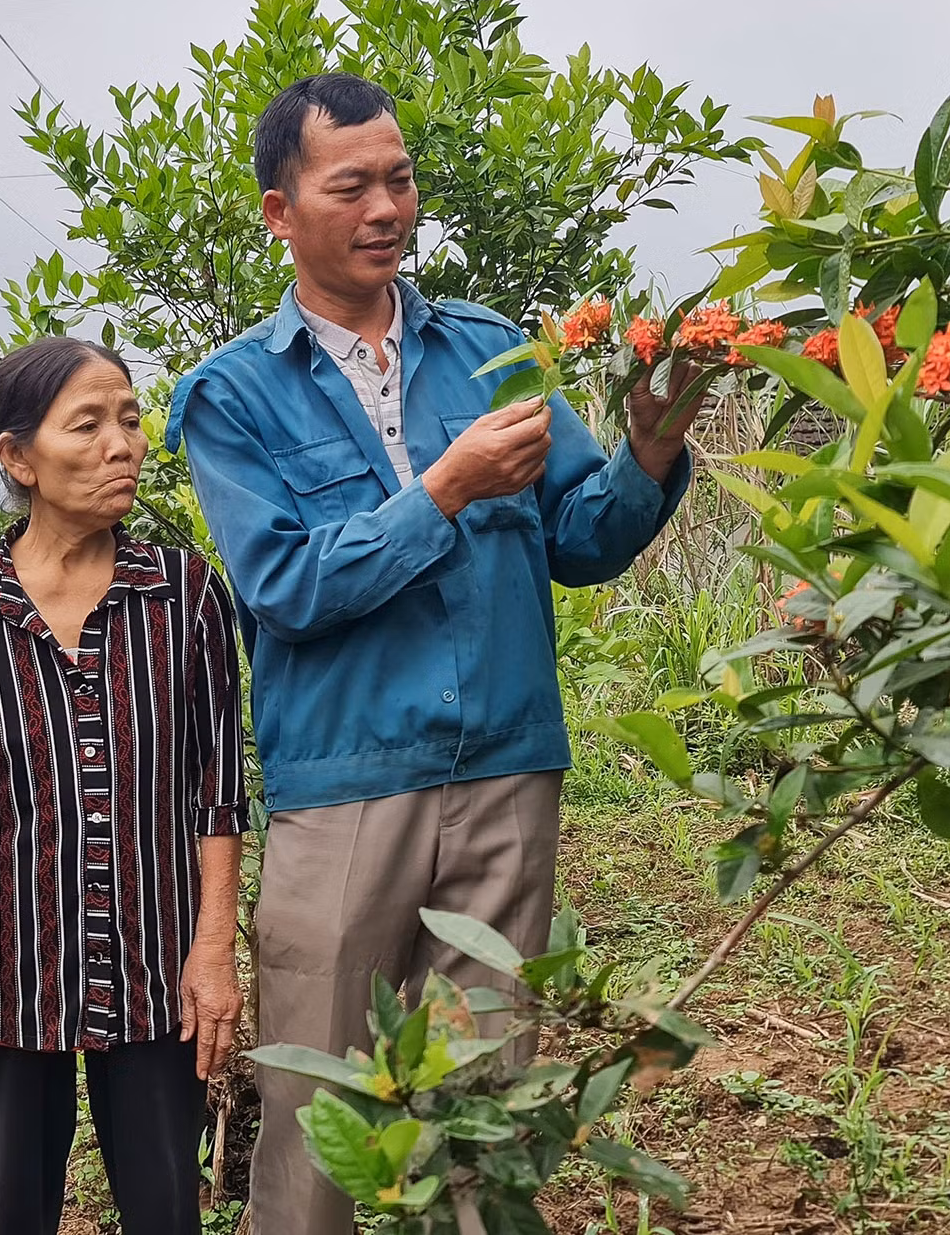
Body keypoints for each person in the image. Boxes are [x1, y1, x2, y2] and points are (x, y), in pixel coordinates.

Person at [164, 73, 702, 1235]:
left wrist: (647, 455)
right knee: (324, 1108)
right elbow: (288, 586)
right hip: (348, 784)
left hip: (506, 769)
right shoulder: (232, 395)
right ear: (279, 211)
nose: (384, 207)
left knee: (482, 1100)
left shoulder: (494, 350)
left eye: (398, 179)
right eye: (348, 184)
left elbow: (578, 539)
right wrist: (445, 487)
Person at [0, 338, 246, 1235]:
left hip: (154, 968)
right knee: (11, 1209)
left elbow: (218, 792)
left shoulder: (185, 595)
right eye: (86, 425)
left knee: (167, 1204)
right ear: (19, 458)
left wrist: (212, 953)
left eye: (129, 420)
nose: (120, 445)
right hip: (8, 974)